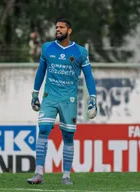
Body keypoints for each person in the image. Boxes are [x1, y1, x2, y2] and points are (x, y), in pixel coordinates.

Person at [27, 18, 97, 185]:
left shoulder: (80, 52)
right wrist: (35, 94)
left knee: (67, 136)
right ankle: (38, 174)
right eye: (56, 27)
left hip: (69, 99)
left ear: (69, 30)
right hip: (49, 97)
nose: (58, 29)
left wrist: (93, 98)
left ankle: (66, 176)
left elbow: (88, 75)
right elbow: (40, 72)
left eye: (61, 27)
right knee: (43, 130)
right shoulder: (47, 48)